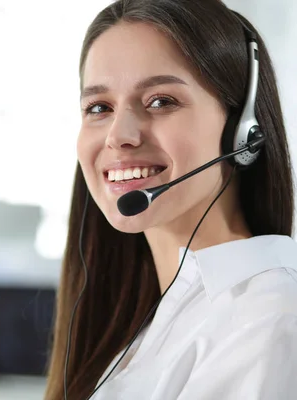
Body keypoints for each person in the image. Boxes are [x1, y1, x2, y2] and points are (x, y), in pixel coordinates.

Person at [45, 1, 297, 399]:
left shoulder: (266, 320)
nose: (118, 135)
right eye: (99, 107)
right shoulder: (145, 325)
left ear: (244, 131)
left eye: (161, 101)